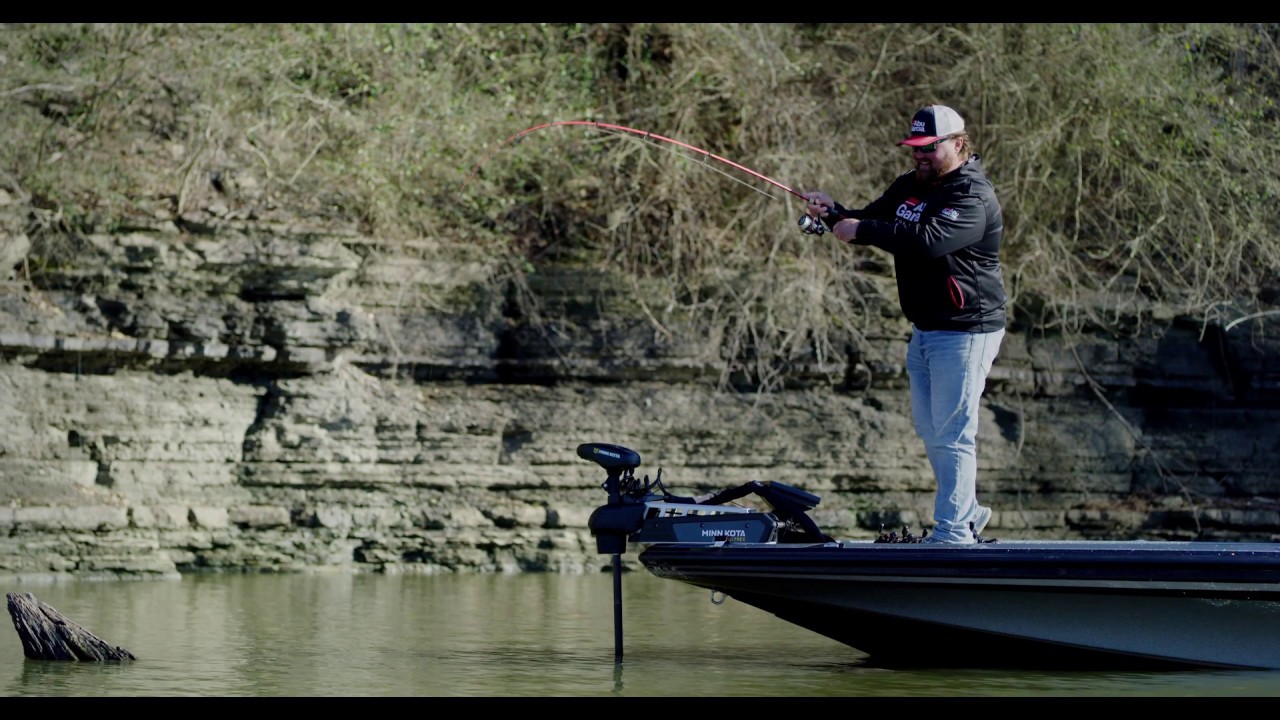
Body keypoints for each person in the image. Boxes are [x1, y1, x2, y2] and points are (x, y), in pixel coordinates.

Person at [803, 104, 1007, 544]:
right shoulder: (912, 185)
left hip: (967, 329)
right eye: (914, 148)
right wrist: (834, 213)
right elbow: (871, 218)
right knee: (931, 429)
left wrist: (862, 230)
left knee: (953, 432)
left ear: (957, 143)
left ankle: (953, 532)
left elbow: (929, 242)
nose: (919, 156)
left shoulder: (972, 194)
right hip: (926, 328)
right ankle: (968, 512)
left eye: (928, 149)